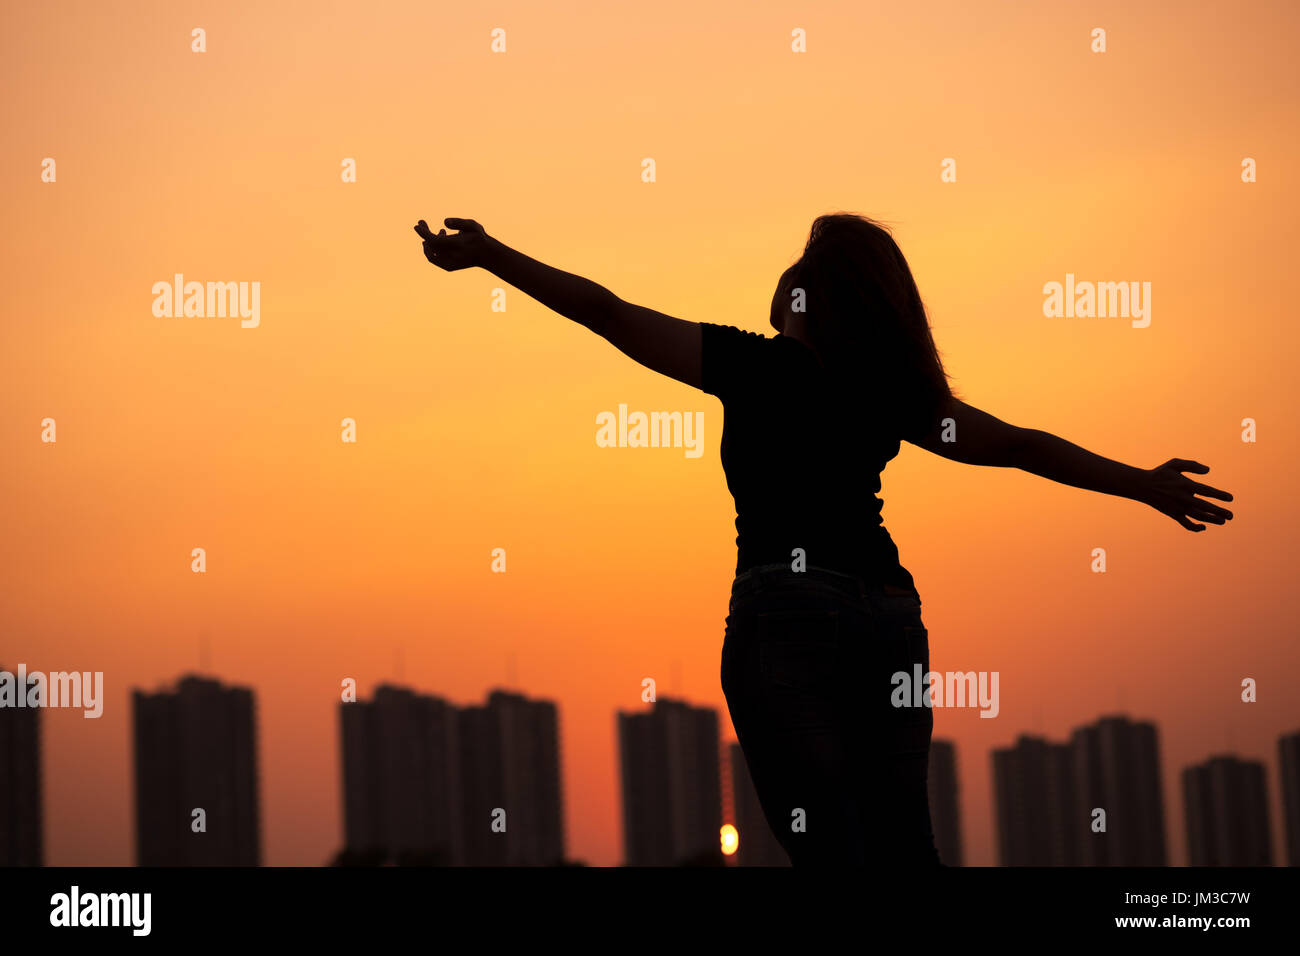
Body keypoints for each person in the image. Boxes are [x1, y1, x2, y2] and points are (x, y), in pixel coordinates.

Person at [413, 212, 1234, 866]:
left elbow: (609, 314)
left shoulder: (751, 365)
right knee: (906, 845)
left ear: (805, 303)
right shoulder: (892, 395)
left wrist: (492, 257)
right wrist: (1142, 484)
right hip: (888, 613)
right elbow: (1020, 445)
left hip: (790, 610)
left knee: (831, 849)